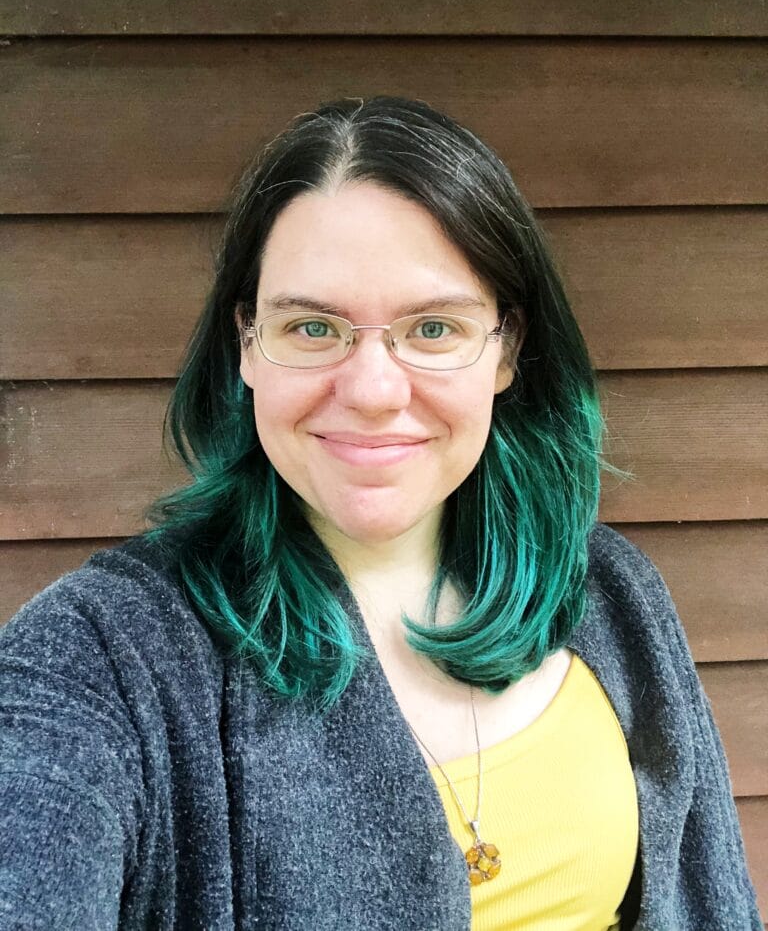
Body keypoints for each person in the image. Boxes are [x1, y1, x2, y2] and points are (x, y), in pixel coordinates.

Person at [0, 96, 760, 931]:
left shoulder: (609, 591)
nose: (370, 391)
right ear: (247, 343)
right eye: (314, 326)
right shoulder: (101, 653)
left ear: (505, 349)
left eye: (433, 327)